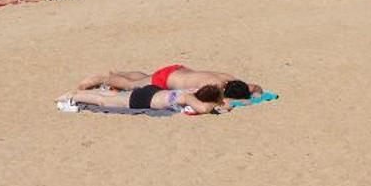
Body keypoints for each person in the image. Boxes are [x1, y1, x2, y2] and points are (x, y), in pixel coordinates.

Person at [76, 66, 258, 98]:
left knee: (145, 78)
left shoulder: (228, 77)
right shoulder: (214, 88)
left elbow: (255, 87)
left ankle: (120, 73)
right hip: (167, 79)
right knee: (134, 86)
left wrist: (255, 92)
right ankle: (103, 79)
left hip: (177, 70)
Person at [58, 84, 227, 114]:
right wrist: (217, 105)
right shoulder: (189, 98)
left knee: (116, 96)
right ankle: (74, 96)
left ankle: (78, 94)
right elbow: (203, 109)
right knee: (104, 102)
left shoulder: (191, 91)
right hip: (145, 100)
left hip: (152, 92)